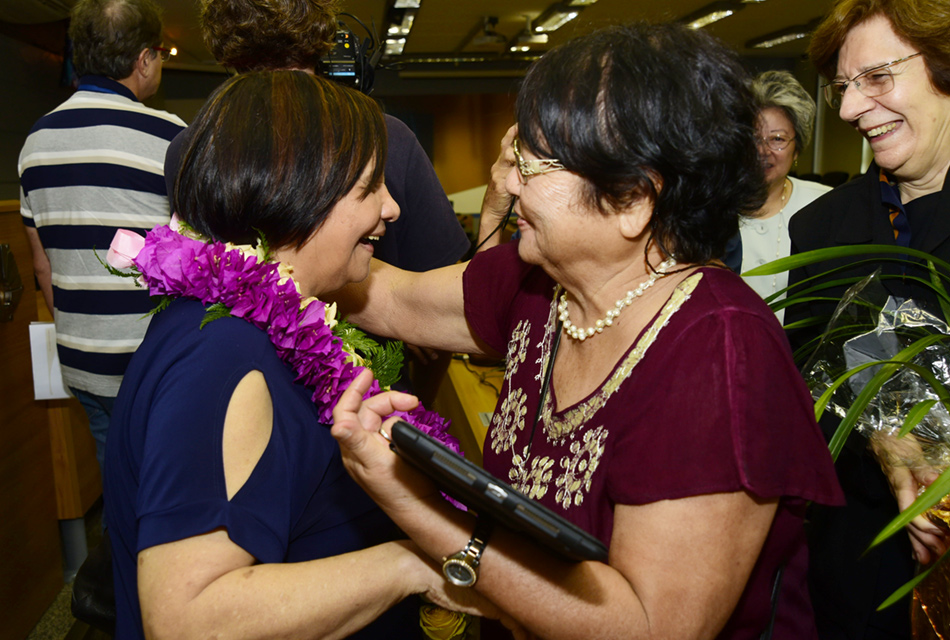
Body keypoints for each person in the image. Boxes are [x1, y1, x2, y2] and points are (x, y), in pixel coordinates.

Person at [330, 23, 843, 639]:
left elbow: (650, 627)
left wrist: (412, 503)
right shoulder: (539, 282)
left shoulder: (721, 352)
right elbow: (389, 299)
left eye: (532, 164)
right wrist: (250, 252)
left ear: (631, 199)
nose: (507, 182)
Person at [103, 71, 503, 640]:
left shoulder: (259, 319)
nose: (391, 208)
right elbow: (189, 619)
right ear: (298, 190)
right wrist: (410, 564)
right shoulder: (221, 355)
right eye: (369, 188)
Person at [164, 0, 470, 402]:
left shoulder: (192, 147)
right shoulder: (384, 135)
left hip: (233, 387)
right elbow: (444, 303)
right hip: (371, 396)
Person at [785, 0, 950, 637]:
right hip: (857, 572)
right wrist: (885, 439)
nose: (851, 108)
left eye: (877, 78)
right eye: (843, 88)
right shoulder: (823, 227)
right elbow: (804, 390)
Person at [17, 0, 185, 473]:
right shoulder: (170, 135)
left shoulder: (36, 141)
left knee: (116, 478)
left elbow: (42, 265)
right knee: (167, 487)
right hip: (154, 365)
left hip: (80, 361)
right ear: (143, 60)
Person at [740, 71, 831, 321]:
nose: (763, 150)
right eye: (752, 138)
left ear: (797, 149)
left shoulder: (826, 207)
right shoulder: (706, 207)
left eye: (777, 139)